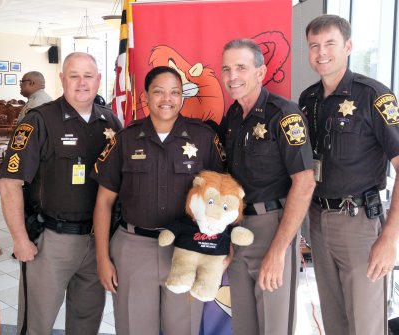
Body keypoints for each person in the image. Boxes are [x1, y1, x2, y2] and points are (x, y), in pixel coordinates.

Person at [92, 66, 224, 335]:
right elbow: (104, 202)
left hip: (186, 250)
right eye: (159, 92)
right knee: (134, 327)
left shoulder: (204, 138)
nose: (167, 99)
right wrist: (102, 258)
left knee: (183, 328)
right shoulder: (125, 139)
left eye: (175, 92)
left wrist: (218, 253)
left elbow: (223, 198)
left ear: (182, 97)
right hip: (133, 249)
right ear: (146, 96)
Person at [0, 52, 122, 335]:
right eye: (74, 76)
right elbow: (9, 183)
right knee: (37, 325)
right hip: (50, 243)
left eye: (88, 76)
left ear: (99, 80)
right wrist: (19, 239)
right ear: (62, 79)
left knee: (86, 324)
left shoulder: (111, 122)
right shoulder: (39, 121)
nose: (82, 83)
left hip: (97, 243)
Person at [299, 14, 399, 335]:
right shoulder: (308, 100)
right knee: (334, 321)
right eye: (314, 45)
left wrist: (389, 238)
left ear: (349, 46)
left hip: (360, 225)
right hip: (318, 220)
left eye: (330, 43)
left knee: (366, 324)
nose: (321, 52)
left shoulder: (375, 96)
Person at [220, 38, 315, 335]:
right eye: (226, 68)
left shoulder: (284, 114)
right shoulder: (233, 117)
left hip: (271, 228)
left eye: (240, 67)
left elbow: (304, 181)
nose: (232, 75)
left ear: (260, 73)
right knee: (244, 325)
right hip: (237, 229)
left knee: (274, 326)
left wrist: (279, 250)